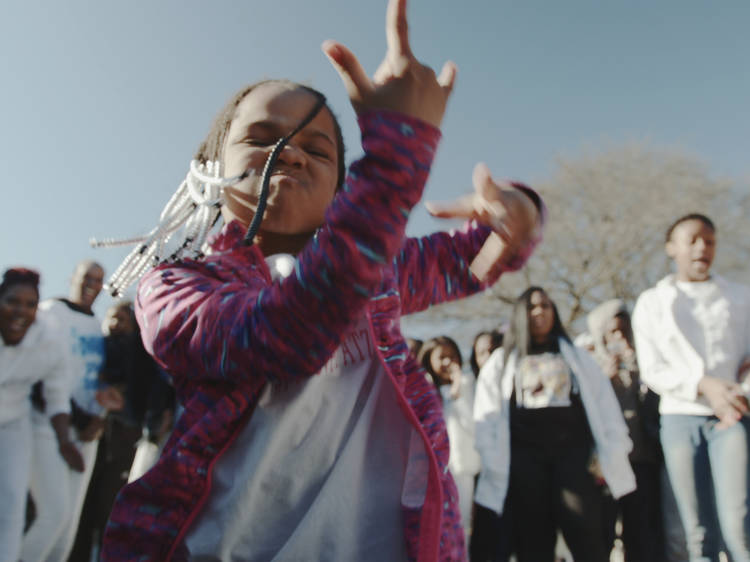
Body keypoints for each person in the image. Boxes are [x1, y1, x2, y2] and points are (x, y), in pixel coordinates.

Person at [99, 1, 545, 559]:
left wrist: (519, 215)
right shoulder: (175, 285)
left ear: (342, 188)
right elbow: (281, 335)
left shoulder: (376, 272)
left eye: (318, 150)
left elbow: (471, 260)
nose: (290, 155)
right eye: (262, 138)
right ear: (207, 169)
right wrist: (394, 160)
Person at [474, 286, 635, 562]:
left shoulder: (579, 358)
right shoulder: (500, 363)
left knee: (587, 537)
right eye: (532, 307)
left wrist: (613, 450)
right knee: (534, 543)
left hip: (573, 463)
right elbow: (485, 418)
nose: (539, 312)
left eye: (546, 306)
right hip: (524, 468)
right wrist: (494, 461)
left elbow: (605, 407)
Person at [632, 213, 750, 561]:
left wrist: (737, 395)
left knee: (738, 524)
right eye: (693, 239)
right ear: (672, 248)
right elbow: (652, 369)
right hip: (680, 418)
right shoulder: (652, 303)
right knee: (696, 531)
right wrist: (702, 384)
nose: (702, 247)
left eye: (710, 241)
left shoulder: (741, 297)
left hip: (732, 417)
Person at [22, 260, 106, 562]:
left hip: (86, 435)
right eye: (86, 277)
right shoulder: (50, 313)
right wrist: (77, 416)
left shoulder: (99, 327)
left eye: (98, 280)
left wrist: (99, 418)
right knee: (51, 516)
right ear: (73, 277)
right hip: (49, 426)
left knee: (68, 528)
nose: (91, 285)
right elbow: (38, 371)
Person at [0, 268, 83, 562]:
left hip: (13, 422)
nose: (20, 311)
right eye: (12, 301)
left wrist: (64, 442)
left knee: (11, 503)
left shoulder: (50, 339)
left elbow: (57, 397)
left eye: (30, 304)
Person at [588, 299, 663, 562]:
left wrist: (638, 369)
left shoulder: (645, 364)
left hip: (643, 460)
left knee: (641, 534)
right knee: (602, 533)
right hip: (606, 466)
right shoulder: (589, 366)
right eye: (612, 333)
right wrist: (603, 379)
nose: (618, 338)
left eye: (623, 331)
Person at [418, 336, 481, 540]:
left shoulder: (468, 384)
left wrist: (457, 394)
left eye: (452, 356)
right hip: (432, 470)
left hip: (461, 468)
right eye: (441, 357)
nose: (447, 362)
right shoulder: (424, 389)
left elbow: (474, 425)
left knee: (461, 525)